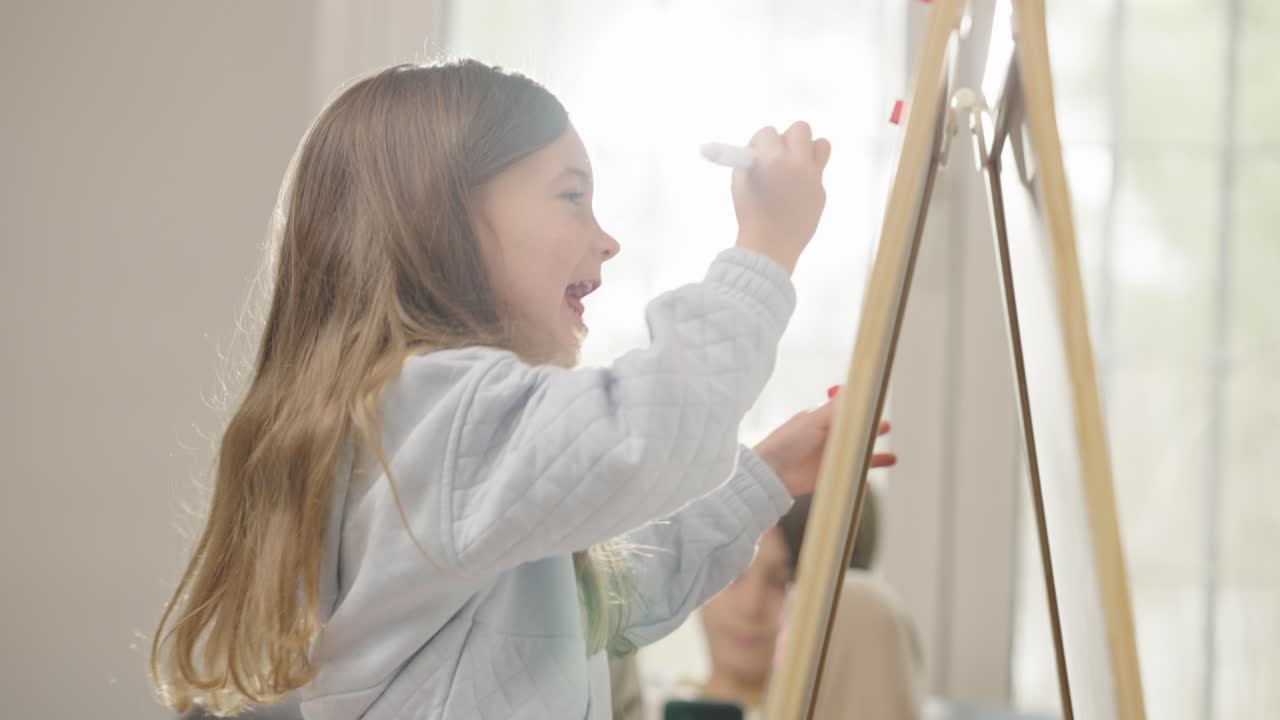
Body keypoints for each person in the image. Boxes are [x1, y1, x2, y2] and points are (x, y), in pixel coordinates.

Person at [149, 59, 894, 720]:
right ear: (441, 218)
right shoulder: (436, 415)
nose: (607, 240)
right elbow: (648, 433)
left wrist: (764, 476)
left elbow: (619, 597)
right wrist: (766, 248)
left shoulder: (457, 450)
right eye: (572, 197)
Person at [649, 489, 924, 719]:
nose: (751, 607)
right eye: (731, 573)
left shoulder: (865, 610)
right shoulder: (640, 706)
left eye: (783, 582)